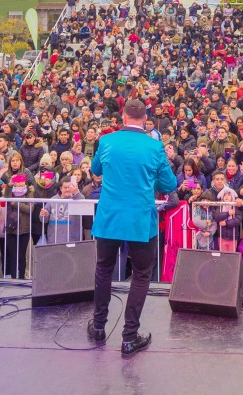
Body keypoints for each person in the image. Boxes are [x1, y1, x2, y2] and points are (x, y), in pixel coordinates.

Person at [88, 99, 177, 356]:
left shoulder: (106, 141)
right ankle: (129, 337)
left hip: (109, 218)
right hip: (140, 220)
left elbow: (95, 170)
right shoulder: (154, 146)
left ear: (124, 117)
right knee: (141, 275)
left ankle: (98, 326)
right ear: (145, 119)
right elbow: (169, 184)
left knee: (103, 270)